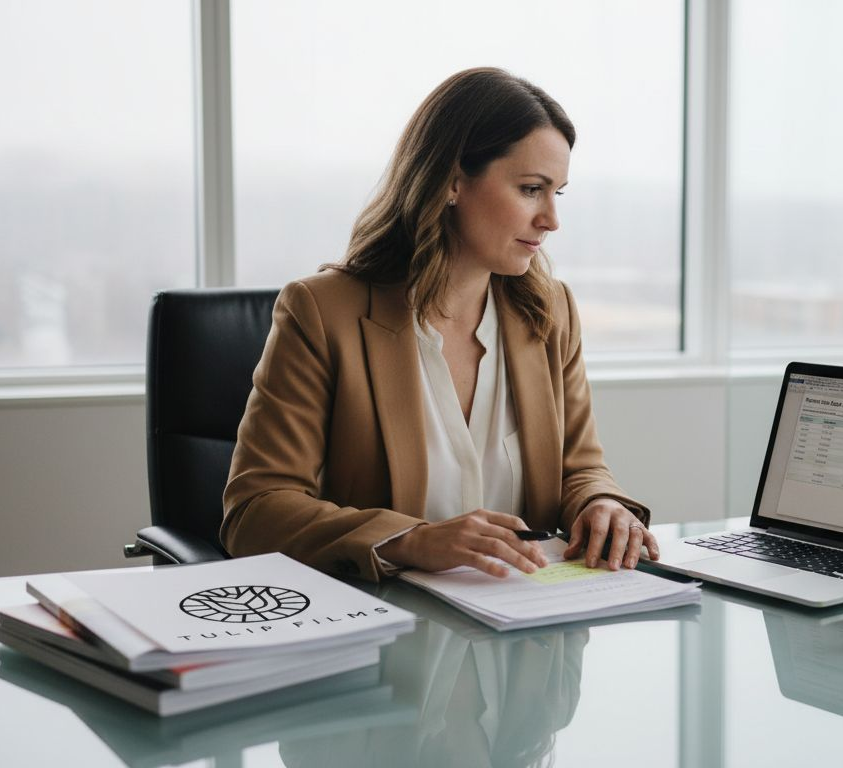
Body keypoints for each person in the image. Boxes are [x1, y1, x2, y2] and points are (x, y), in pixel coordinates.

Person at [221, 67, 659, 582]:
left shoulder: (551, 311)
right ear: (452, 181)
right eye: (530, 189)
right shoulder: (322, 312)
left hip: (530, 613)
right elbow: (255, 510)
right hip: (388, 617)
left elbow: (579, 467)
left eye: (556, 193)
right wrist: (410, 540)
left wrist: (601, 502)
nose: (551, 220)